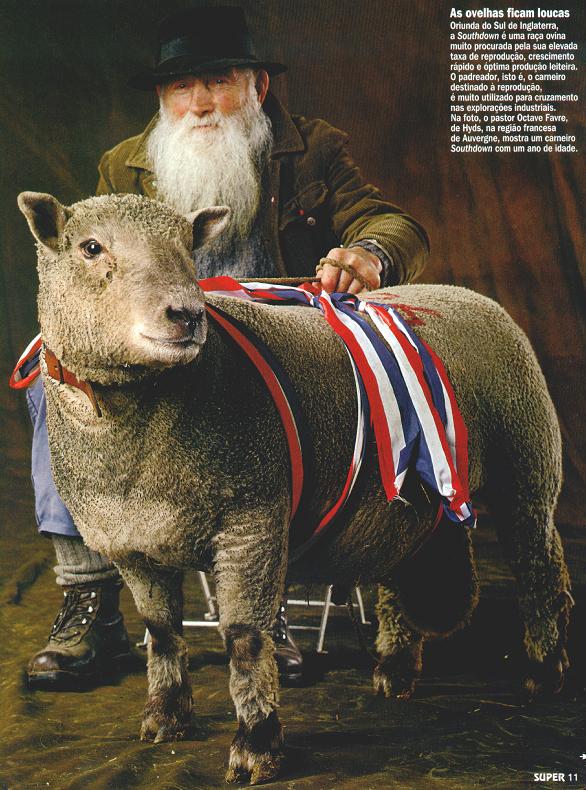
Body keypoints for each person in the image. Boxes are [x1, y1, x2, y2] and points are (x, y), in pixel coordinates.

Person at [25, 6, 429, 689]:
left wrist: (368, 253)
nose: (202, 102)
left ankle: (263, 607)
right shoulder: (123, 164)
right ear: (163, 96)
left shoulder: (313, 148)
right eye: (183, 85)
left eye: (219, 80)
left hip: (279, 345)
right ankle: (90, 603)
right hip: (161, 350)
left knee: (263, 409)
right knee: (52, 381)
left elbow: (392, 222)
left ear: (257, 87)